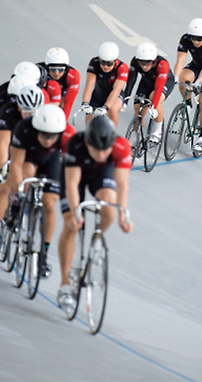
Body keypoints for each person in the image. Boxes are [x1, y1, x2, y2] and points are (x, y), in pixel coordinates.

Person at [56, 115, 133, 310]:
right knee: (70, 225)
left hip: (101, 173)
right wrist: (75, 213)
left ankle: (96, 240)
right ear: (87, 142)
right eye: (96, 150)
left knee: (110, 208)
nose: (101, 154)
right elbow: (72, 185)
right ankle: (65, 283)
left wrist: (123, 216)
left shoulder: (121, 147)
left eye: (105, 150)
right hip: (76, 175)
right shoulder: (76, 144)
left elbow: (122, 184)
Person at [9, 104, 75, 276]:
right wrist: (18, 192)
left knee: (50, 204)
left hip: (51, 161)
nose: (48, 140)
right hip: (29, 156)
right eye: (44, 135)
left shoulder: (68, 134)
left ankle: (43, 254)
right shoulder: (24, 128)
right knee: (26, 173)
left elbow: (72, 170)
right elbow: (15, 164)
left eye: (52, 136)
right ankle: (16, 206)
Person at [0, 83, 45, 251]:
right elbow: (3, 142)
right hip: (15, 147)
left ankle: (24, 203)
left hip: (33, 150)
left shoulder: (44, 115)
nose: (29, 116)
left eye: (33, 113)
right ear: (19, 106)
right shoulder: (9, 112)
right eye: (26, 111)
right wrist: (2, 167)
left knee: (30, 175)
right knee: (4, 185)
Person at [172, 18, 202, 152]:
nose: (195, 41)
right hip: (195, 67)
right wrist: (175, 77)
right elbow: (180, 60)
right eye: (193, 38)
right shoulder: (185, 39)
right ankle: (187, 105)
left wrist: (198, 82)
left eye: (199, 39)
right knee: (183, 77)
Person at [124, 42, 174, 142]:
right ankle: (138, 138)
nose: (144, 67)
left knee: (153, 99)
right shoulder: (135, 62)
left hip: (164, 83)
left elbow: (159, 87)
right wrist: (125, 100)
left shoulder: (162, 64)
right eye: (141, 63)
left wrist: (154, 106)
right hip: (147, 82)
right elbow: (131, 81)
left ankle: (157, 131)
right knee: (137, 108)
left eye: (147, 64)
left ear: (153, 61)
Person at [80, 41, 129, 126]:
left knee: (112, 110)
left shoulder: (122, 68)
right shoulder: (94, 63)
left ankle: (112, 137)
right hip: (99, 93)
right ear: (99, 59)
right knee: (89, 116)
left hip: (115, 95)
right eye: (102, 62)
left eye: (109, 64)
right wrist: (85, 103)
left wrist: (106, 107)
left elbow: (116, 90)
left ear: (115, 61)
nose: (105, 66)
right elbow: (89, 84)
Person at [38, 47, 81, 120]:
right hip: (45, 90)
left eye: (60, 70)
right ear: (47, 68)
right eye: (53, 69)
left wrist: (62, 122)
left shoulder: (73, 76)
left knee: (62, 109)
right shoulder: (38, 72)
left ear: (66, 69)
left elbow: (68, 103)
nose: (57, 73)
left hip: (61, 90)